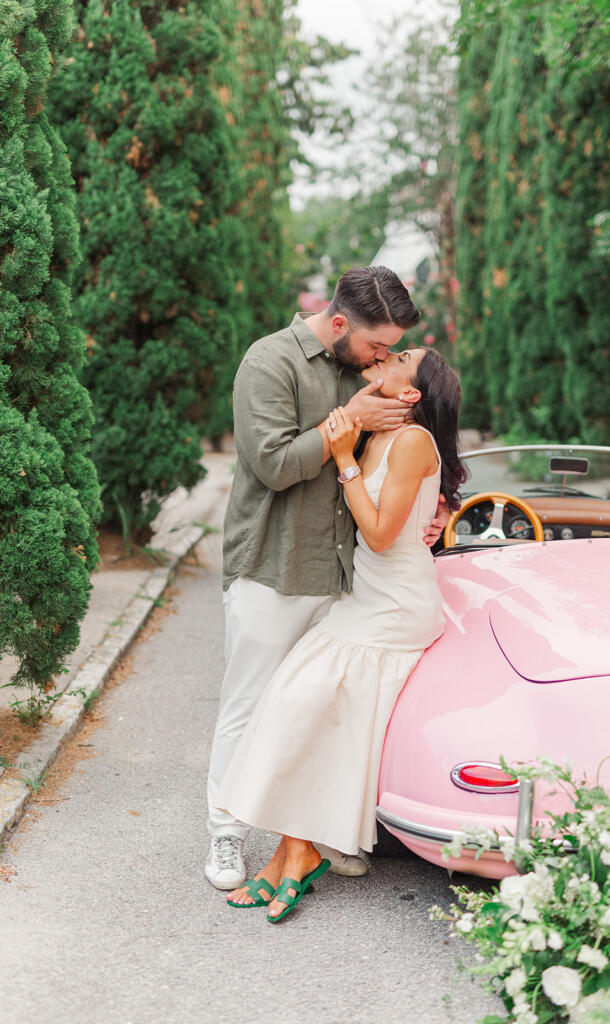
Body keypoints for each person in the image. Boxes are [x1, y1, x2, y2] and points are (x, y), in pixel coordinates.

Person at [205, 267, 448, 890]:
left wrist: (435, 505)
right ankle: (226, 834)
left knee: (322, 711)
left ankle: (313, 836)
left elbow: (413, 453)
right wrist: (351, 421)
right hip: (274, 567)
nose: (383, 357)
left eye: (391, 350)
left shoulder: (365, 371)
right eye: (375, 346)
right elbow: (273, 464)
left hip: (349, 578)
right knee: (251, 702)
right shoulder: (269, 361)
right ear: (339, 324)